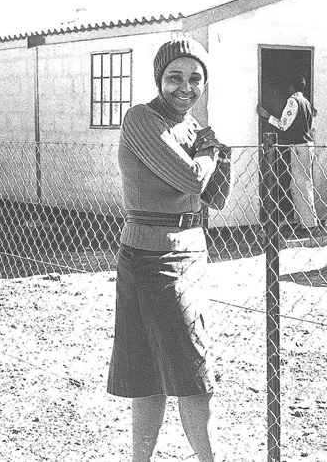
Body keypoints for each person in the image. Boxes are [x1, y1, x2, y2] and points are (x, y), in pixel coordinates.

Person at [108, 38, 232, 462]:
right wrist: (211, 152)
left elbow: (217, 198)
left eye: (195, 78)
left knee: (166, 371)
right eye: (174, 77)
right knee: (186, 373)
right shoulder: (141, 119)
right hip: (151, 258)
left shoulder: (192, 129)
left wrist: (211, 151)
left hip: (189, 253)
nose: (185, 87)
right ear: (158, 79)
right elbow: (195, 181)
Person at [256, 73, 317, 236]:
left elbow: (283, 125)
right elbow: (313, 127)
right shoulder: (307, 103)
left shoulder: (293, 101)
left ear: (291, 87)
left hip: (298, 145)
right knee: (301, 182)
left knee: (299, 184)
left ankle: (309, 224)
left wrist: (266, 115)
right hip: (308, 145)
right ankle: (302, 220)